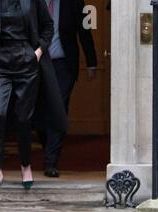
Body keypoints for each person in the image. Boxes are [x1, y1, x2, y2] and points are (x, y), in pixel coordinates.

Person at [0, 0, 66, 196]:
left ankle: (25, 165)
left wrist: (38, 52)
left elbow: (48, 27)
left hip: (26, 64)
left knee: (23, 118)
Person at [37, 0, 97, 178]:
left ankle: (51, 161)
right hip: (38, 65)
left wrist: (91, 61)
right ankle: (48, 146)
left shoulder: (74, 2)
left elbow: (83, 31)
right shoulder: (33, 3)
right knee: (40, 111)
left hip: (64, 65)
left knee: (59, 109)